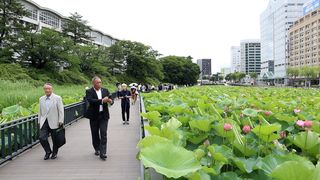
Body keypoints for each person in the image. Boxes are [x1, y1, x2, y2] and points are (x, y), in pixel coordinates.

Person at [85, 76, 113, 161]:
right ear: (93, 83)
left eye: (100, 82)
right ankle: (97, 148)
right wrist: (101, 101)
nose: (99, 84)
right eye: (98, 82)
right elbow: (90, 100)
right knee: (95, 133)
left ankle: (103, 152)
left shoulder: (105, 90)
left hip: (104, 115)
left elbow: (110, 99)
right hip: (94, 116)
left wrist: (110, 101)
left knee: (103, 133)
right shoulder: (89, 91)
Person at [38, 83, 64, 160]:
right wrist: (39, 121)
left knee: (55, 139)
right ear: (44, 89)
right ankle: (48, 151)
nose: (47, 90)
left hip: (55, 121)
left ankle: (55, 153)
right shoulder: (41, 99)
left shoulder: (57, 98)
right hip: (44, 121)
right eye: (45, 89)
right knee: (42, 138)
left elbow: (61, 110)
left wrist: (61, 120)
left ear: (52, 89)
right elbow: (40, 111)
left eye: (49, 89)